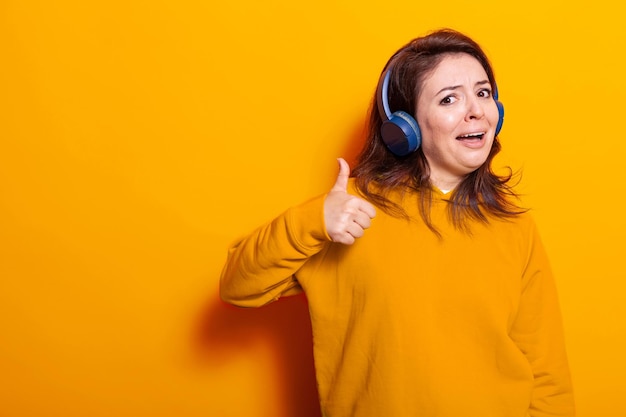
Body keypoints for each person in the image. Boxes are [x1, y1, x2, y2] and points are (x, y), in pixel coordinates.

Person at [220, 28, 575, 417]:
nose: (476, 109)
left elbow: (547, 375)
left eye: (484, 93)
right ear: (404, 127)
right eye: (449, 98)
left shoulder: (515, 227)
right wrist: (313, 221)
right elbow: (239, 286)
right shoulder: (347, 213)